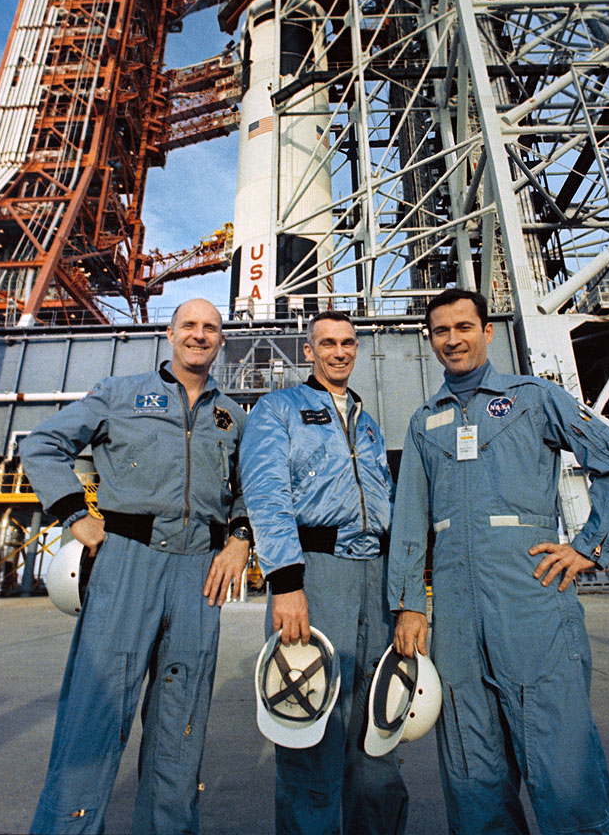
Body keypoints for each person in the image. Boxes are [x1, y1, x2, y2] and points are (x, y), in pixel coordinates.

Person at [389, 288, 609, 835]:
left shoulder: (534, 398)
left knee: (562, 767)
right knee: (472, 776)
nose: (452, 339)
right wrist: (408, 605)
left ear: (487, 331)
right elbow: (409, 520)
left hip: (531, 604)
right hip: (455, 618)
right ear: (430, 341)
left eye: (463, 327)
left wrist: (590, 547)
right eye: (440, 331)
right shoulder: (423, 422)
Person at [21, 299, 250, 835]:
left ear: (221, 339)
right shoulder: (119, 395)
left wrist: (240, 538)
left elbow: (249, 490)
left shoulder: (233, 416)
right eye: (189, 325)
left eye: (210, 328)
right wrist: (75, 515)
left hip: (200, 575)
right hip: (129, 564)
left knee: (181, 725)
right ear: (170, 333)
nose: (199, 335)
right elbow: (43, 444)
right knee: (94, 718)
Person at [240, 310, 408, 835]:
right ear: (308, 351)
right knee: (310, 720)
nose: (340, 352)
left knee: (379, 724)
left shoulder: (367, 419)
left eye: (348, 343)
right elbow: (267, 494)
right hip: (315, 572)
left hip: (375, 576)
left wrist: (405, 589)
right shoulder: (278, 409)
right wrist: (287, 582)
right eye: (327, 343)